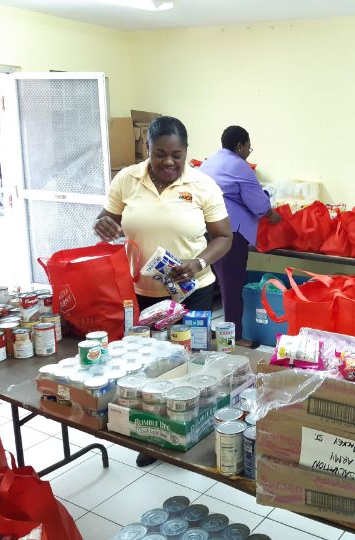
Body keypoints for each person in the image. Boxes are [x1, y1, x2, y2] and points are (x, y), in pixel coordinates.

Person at [93, 116, 233, 466]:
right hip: (140, 292)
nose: (168, 162)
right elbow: (105, 219)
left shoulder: (202, 185)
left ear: (186, 153)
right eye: (160, 155)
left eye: (177, 155)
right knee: (148, 368)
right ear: (148, 150)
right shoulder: (127, 179)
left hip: (192, 292)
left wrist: (198, 263)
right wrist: (101, 224)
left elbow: (224, 237)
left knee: (190, 366)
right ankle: (154, 437)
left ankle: (196, 434)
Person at [200, 125, 280, 348]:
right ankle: (234, 337)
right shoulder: (240, 166)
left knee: (209, 282)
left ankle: (205, 331)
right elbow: (260, 205)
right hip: (229, 232)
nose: (248, 151)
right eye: (249, 147)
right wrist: (276, 217)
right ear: (240, 146)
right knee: (232, 285)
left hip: (204, 228)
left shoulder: (210, 162)